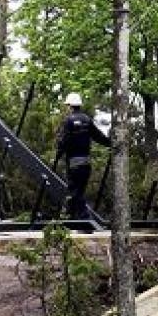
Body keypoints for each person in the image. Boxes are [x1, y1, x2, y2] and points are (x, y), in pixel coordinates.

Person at [55, 91, 109, 220]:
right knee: (79, 191)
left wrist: (57, 157)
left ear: (70, 106)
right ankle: (72, 219)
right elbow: (98, 136)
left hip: (74, 163)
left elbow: (64, 141)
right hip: (86, 163)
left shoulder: (69, 121)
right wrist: (111, 143)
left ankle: (85, 219)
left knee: (74, 191)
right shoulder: (87, 120)